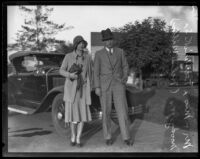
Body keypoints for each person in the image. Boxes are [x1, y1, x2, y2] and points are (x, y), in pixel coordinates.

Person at [93, 28, 133, 146]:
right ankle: (108, 136)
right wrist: (97, 87)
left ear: (113, 40)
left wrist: (124, 78)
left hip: (118, 85)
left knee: (123, 111)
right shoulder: (98, 54)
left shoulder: (120, 52)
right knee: (106, 111)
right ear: (103, 42)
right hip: (104, 85)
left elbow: (125, 66)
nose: (109, 42)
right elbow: (96, 72)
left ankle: (126, 137)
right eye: (106, 40)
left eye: (110, 39)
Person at [59, 35, 93, 147]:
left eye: (83, 43)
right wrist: (70, 75)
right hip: (71, 91)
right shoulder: (68, 56)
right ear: (75, 45)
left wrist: (90, 85)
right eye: (79, 43)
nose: (82, 45)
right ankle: (73, 136)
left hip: (83, 90)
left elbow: (90, 73)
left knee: (82, 116)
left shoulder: (87, 57)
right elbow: (61, 71)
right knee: (73, 117)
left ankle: (78, 138)